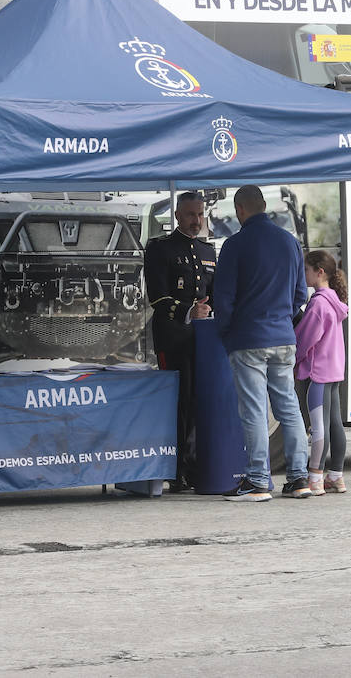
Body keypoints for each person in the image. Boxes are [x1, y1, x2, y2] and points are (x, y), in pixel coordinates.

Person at [214, 184, 312, 501]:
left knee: (254, 410)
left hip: (247, 339)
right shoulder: (289, 242)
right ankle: (299, 479)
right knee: (289, 407)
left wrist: (225, 333)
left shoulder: (234, 245)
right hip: (284, 337)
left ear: (241, 210)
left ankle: (258, 481)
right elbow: (300, 295)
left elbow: (224, 298)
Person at [143, 191, 215, 491]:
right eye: (190, 215)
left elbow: (217, 292)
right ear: (177, 215)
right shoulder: (161, 248)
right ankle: (176, 469)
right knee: (179, 403)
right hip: (173, 337)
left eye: (200, 214)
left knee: (202, 402)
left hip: (205, 340)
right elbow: (158, 296)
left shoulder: (209, 251)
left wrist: (212, 310)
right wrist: (188, 310)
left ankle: (197, 465)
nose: (196, 220)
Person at [295, 250, 348, 496]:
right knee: (335, 424)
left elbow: (305, 339)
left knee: (319, 427)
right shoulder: (335, 301)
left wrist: (292, 358)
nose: (303, 274)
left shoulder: (317, 303)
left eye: (306, 270)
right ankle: (336, 476)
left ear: (320, 272)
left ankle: (315, 477)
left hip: (317, 373)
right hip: (334, 372)